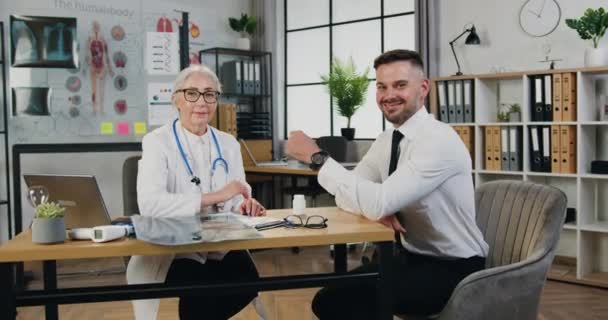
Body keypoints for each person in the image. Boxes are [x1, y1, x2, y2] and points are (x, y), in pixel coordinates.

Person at [286, 49, 489, 319]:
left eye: (400, 85)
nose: (388, 95)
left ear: (424, 88)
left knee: (339, 303)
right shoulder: (387, 140)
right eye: (382, 86)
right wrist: (376, 206)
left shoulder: (437, 140)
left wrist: (317, 158)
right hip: (409, 257)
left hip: (453, 267)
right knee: (329, 297)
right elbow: (347, 195)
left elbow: (376, 199)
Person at [126, 64, 266, 320]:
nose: (202, 102)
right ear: (176, 100)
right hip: (173, 245)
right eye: (192, 93)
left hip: (220, 241)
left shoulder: (228, 143)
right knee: (201, 289)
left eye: (210, 94)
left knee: (248, 281)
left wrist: (243, 206)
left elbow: (235, 199)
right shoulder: (157, 142)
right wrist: (216, 196)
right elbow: (150, 206)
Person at [84, 20, 113, 115]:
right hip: (92, 66)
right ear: (92, 28)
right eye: (94, 26)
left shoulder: (103, 40)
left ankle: (102, 110)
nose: (96, 28)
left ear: (99, 28)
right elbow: (87, 55)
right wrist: (85, 68)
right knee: (94, 89)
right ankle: (94, 110)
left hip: (102, 66)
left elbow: (107, 55)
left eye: (97, 26)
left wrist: (110, 69)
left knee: (102, 90)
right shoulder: (89, 40)